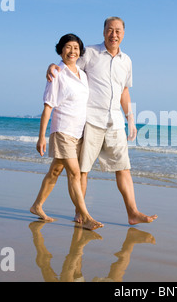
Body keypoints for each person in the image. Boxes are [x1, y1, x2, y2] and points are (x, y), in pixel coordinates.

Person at [47, 17, 157, 225]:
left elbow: (124, 90)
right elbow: (68, 65)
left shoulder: (127, 61)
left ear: (123, 34)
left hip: (115, 121)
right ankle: (81, 213)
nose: (113, 34)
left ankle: (132, 213)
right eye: (110, 30)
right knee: (83, 170)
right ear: (103, 32)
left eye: (117, 31)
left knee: (123, 168)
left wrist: (130, 118)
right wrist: (53, 65)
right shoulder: (90, 53)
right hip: (90, 120)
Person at [30, 33, 103, 231]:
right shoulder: (57, 74)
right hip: (62, 129)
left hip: (78, 132)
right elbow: (48, 107)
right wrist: (42, 137)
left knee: (55, 171)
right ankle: (85, 216)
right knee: (75, 173)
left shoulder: (83, 74)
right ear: (61, 50)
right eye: (68, 47)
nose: (72, 51)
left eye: (76, 48)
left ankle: (37, 206)